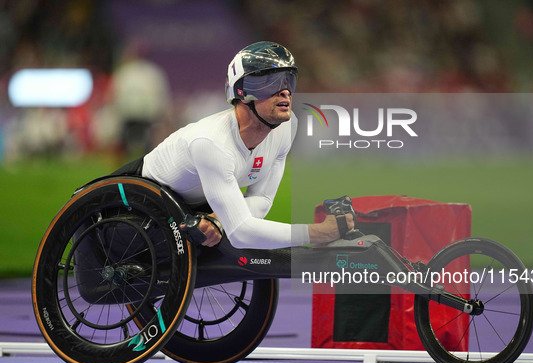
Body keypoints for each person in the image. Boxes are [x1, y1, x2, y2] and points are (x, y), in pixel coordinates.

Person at [113, 41, 354, 249]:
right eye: (272, 83)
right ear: (243, 92)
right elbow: (241, 233)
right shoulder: (211, 143)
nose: (285, 93)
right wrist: (319, 232)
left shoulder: (287, 127)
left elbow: (262, 200)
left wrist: (217, 220)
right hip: (141, 201)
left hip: (195, 207)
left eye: (288, 81)